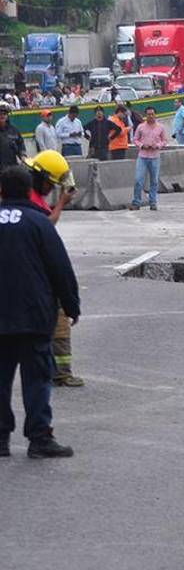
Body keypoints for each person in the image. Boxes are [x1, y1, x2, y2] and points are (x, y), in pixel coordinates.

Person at [0, 165, 81, 459]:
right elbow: (60, 267)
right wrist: (71, 305)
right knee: (37, 380)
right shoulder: (39, 222)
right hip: (34, 317)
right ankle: (39, 438)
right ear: (28, 191)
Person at [24, 151, 82, 387]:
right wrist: (61, 203)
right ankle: (61, 372)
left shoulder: (28, 193)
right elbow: (47, 226)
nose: (51, 189)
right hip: (35, 273)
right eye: (50, 184)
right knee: (58, 318)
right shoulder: (29, 199)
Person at [131, 106, 167, 211]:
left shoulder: (161, 127)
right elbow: (135, 139)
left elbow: (165, 140)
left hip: (155, 157)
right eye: (148, 114)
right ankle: (136, 202)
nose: (150, 116)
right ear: (145, 115)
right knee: (138, 179)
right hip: (142, 156)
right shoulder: (141, 127)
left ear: (155, 115)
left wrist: (158, 145)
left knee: (154, 181)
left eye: (152, 114)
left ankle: (153, 202)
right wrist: (142, 145)